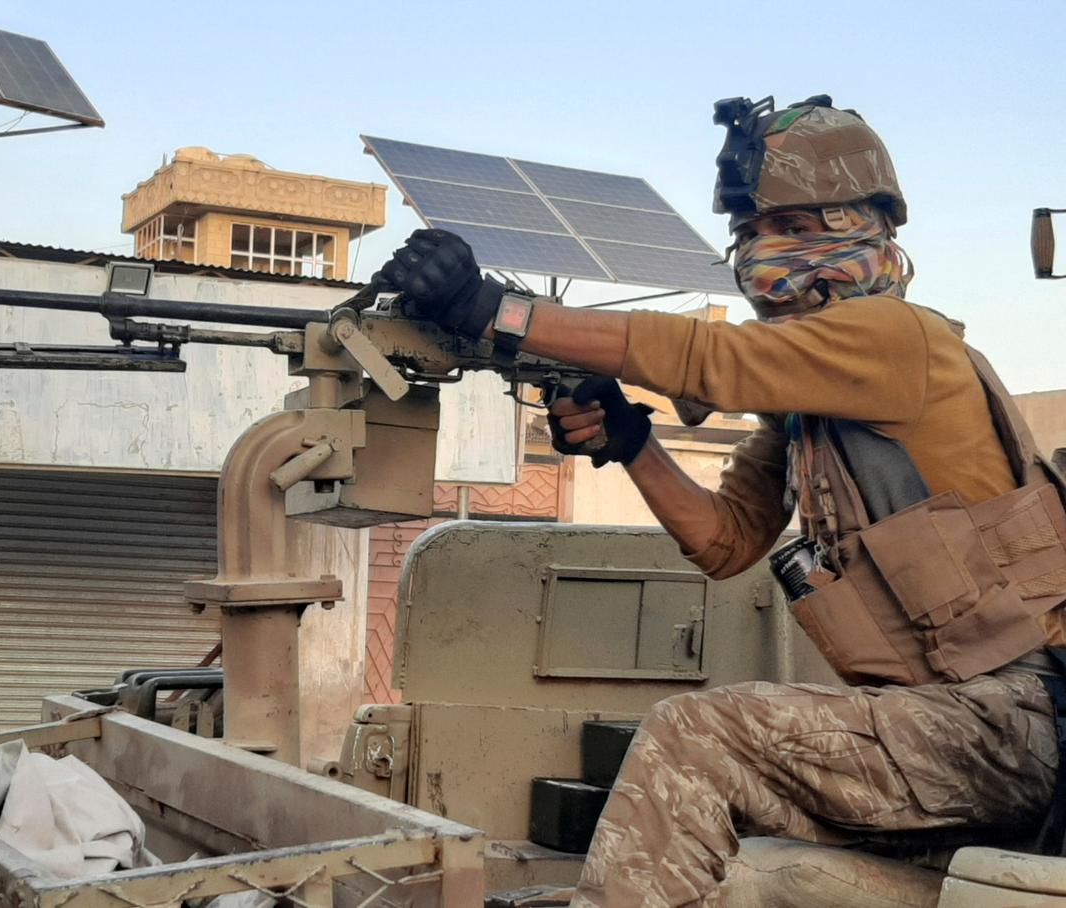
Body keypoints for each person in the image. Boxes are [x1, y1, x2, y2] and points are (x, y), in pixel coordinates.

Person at [369, 95, 1066, 907]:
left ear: (865, 228)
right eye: (750, 233)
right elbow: (726, 540)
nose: (764, 255)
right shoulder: (808, 409)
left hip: (1015, 724)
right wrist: (631, 441)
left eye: (794, 228)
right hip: (936, 724)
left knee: (696, 736)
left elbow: (712, 359)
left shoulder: (897, 339)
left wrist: (496, 312)